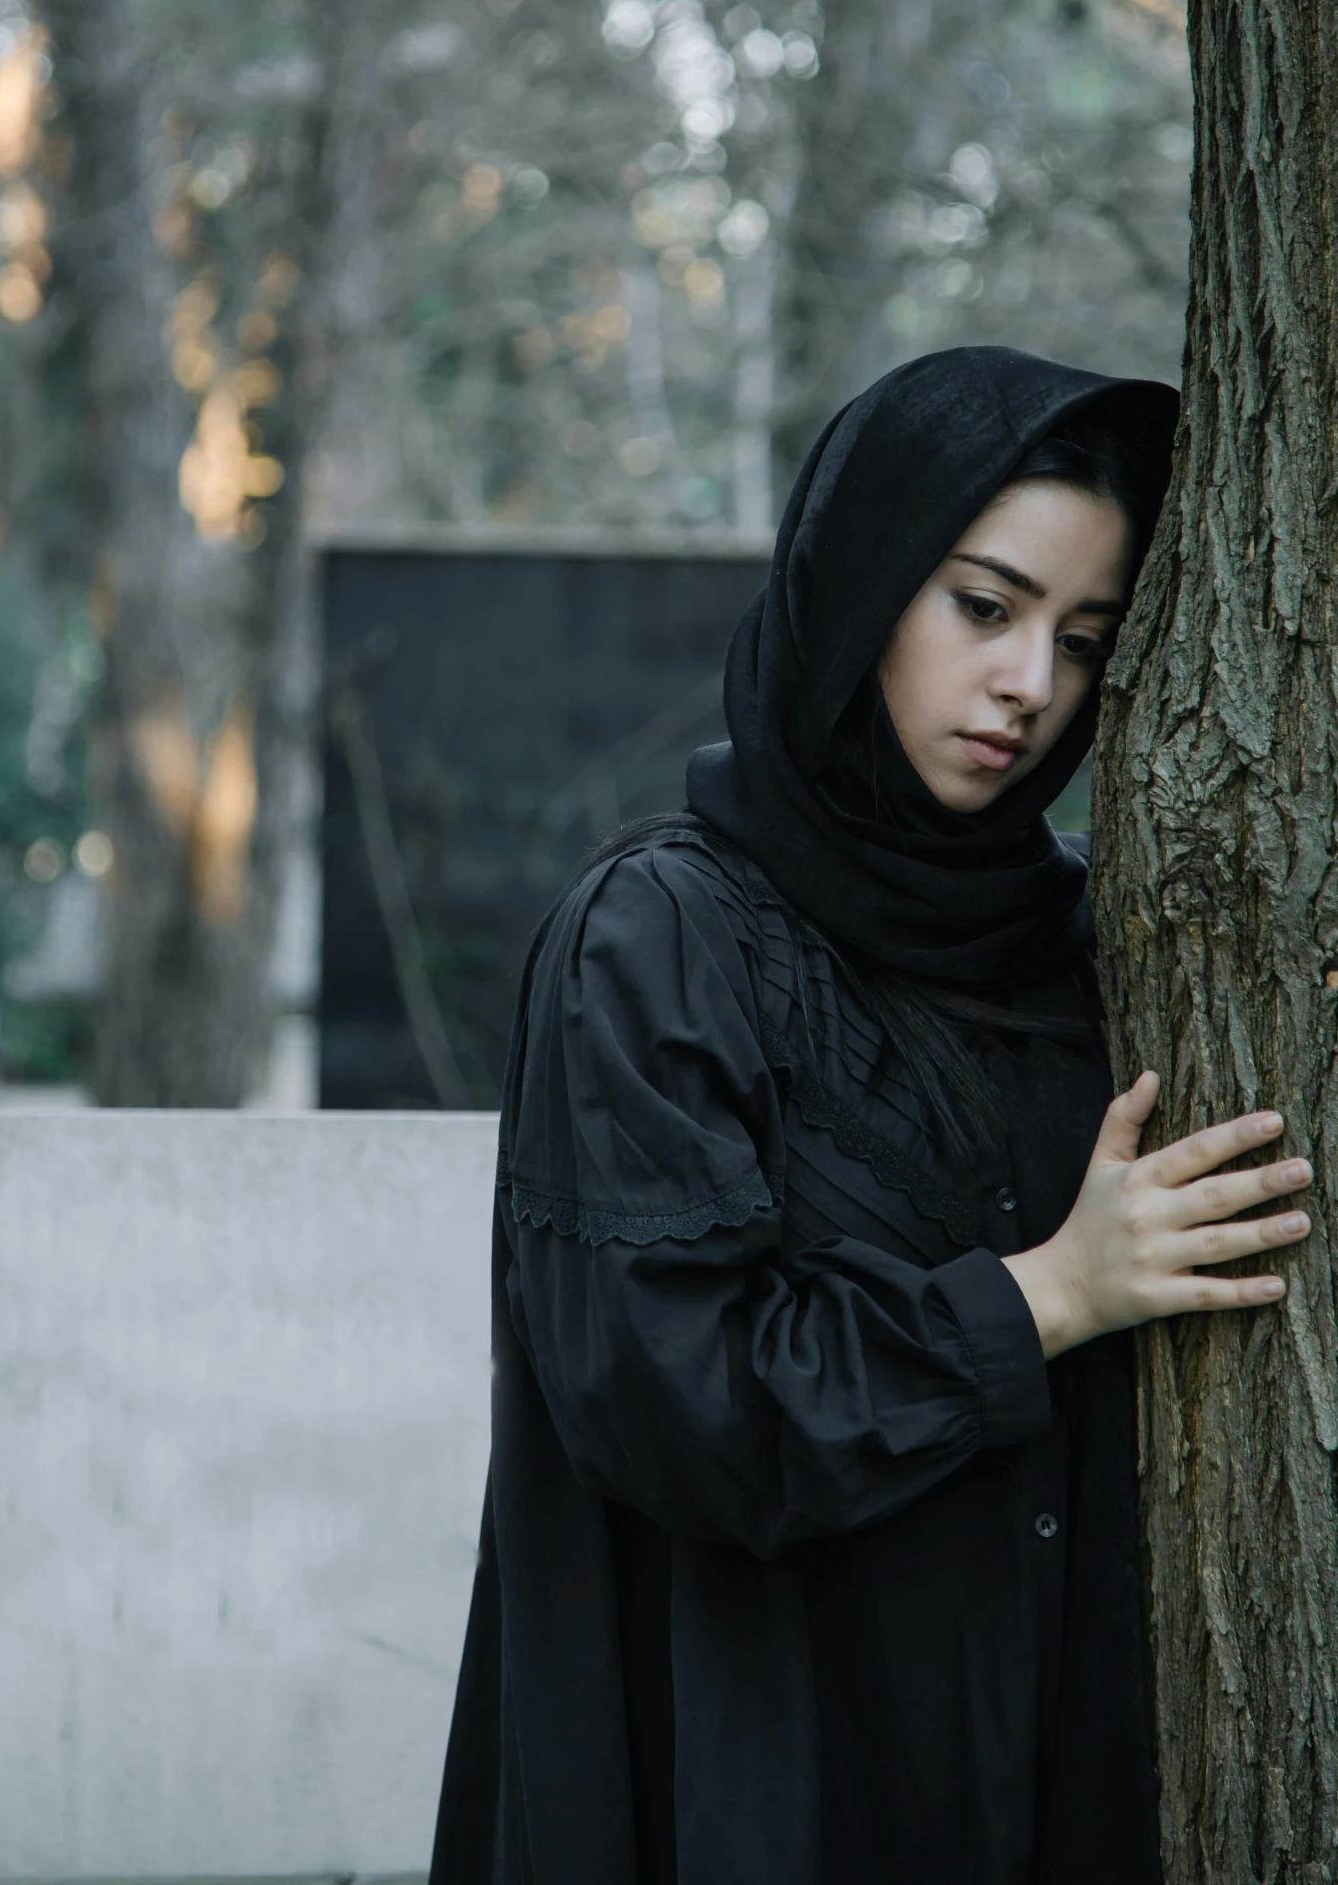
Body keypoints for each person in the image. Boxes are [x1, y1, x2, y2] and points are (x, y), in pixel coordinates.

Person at [428, 345, 1314, 1885]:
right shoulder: (658, 935)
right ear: (862, 581)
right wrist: (1047, 1293)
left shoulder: (1093, 948)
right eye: (983, 604)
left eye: (1085, 639)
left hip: (1043, 1785)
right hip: (749, 1785)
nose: (1031, 685)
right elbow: (672, 1402)